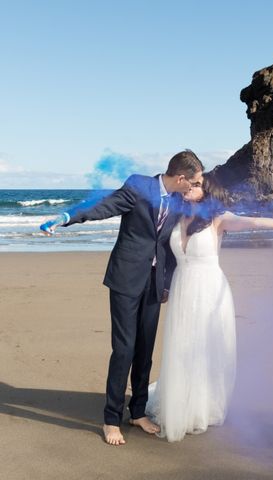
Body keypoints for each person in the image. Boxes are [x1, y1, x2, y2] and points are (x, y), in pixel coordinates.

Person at [40, 150, 204, 445]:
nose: (194, 187)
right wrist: (66, 217)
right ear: (180, 178)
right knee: (124, 349)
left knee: (145, 350)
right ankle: (110, 419)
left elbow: (169, 247)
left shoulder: (179, 201)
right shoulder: (139, 186)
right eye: (193, 183)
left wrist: (165, 284)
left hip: (153, 285)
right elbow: (104, 206)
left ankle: (138, 412)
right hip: (126, 279)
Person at [145, 171, 273, 442]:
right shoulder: (175, 216)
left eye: (197, 185)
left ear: (207, 191)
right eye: (189, 183)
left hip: (210, 290)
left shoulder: (219, 219)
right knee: (182, 345)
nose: (189, 188)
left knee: (205, 348)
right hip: (183, 288)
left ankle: (201, 407)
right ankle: (179, 400)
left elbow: (254, 221)